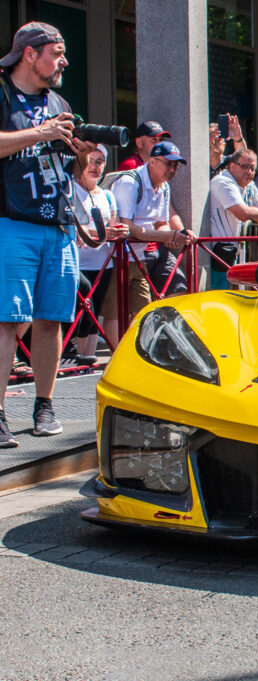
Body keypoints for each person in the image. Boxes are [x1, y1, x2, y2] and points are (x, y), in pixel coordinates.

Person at [0, 21, 94, 444]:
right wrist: (42, 132)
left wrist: (80, 155)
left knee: (50, 321)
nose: (64, 61)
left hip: (57, 226)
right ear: (29, 53)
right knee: (6, 322)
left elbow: (67, 169)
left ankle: (45, 405)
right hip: (12, 222)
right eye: (57, 53)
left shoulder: (59, 100)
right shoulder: (2, 91)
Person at [110, 141, 194, 315]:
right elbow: (127, 228)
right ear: (152, 161)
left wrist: (171, 236)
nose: (172, 169)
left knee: (179, 291)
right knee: (120, 314)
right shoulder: (130, 182)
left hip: (152, 251)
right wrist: (168, 236)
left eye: (175, 165)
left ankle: (168, 338)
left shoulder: (164, 186)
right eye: (168, 164)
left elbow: (162, 223)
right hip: (126, 255)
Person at [73, 144, 128, 357]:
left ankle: (86, 358)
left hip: (104, 263)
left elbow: (112, 223)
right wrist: (101, 232)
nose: (94, 167)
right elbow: (71, 225)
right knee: (83, 312)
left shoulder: (107, 195)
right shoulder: (70, 188)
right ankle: (74, 356)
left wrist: (117, 231)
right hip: (78, 262)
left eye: (99, 162)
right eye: (90, 161)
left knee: (94, 313)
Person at [208, 149, 258, 289]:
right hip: (215, 253)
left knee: (232, 300)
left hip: (234, 252)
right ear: (232, 166)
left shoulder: (249, 185)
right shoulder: (223, 181)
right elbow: (242, 213)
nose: (249, 172)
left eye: (252, 168)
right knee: (215, 299)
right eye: (244, 166)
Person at [209, 113, 246, 177]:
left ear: (224, 144)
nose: (215, 138)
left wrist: (237, 137)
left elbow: (244, 158)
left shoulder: (230, 163)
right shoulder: (197, 162)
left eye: (219, 135)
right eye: (212, 135)